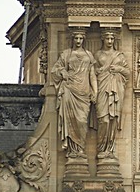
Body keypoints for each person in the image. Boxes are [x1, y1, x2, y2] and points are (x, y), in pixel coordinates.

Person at [51, 28, 97, 159]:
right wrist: (62, 72)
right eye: (76, 38)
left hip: (84, 92)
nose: (78, 41)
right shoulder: (66, 54)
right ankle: (73, 149)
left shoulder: (89, 55)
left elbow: (92, 75)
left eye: (80, 38)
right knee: (71, 120)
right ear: (72, 39)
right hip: (69, 90)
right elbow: (55, 69)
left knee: (82, 121)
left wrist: (95, 91)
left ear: (84, 39)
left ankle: (80, 147)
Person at [94, 29, 129, 160]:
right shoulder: (97, 55)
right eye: (107, 39)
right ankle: (101, 148)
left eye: (112, 39)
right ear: (103, 39)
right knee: (103, 119)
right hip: (102, 89)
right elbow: (91, 72)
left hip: (116, 90)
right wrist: (100, 70)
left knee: (112, 120)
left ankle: (109, 148)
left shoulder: (119, 56)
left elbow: (127, 73)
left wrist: (118, 69)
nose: (109, 41)